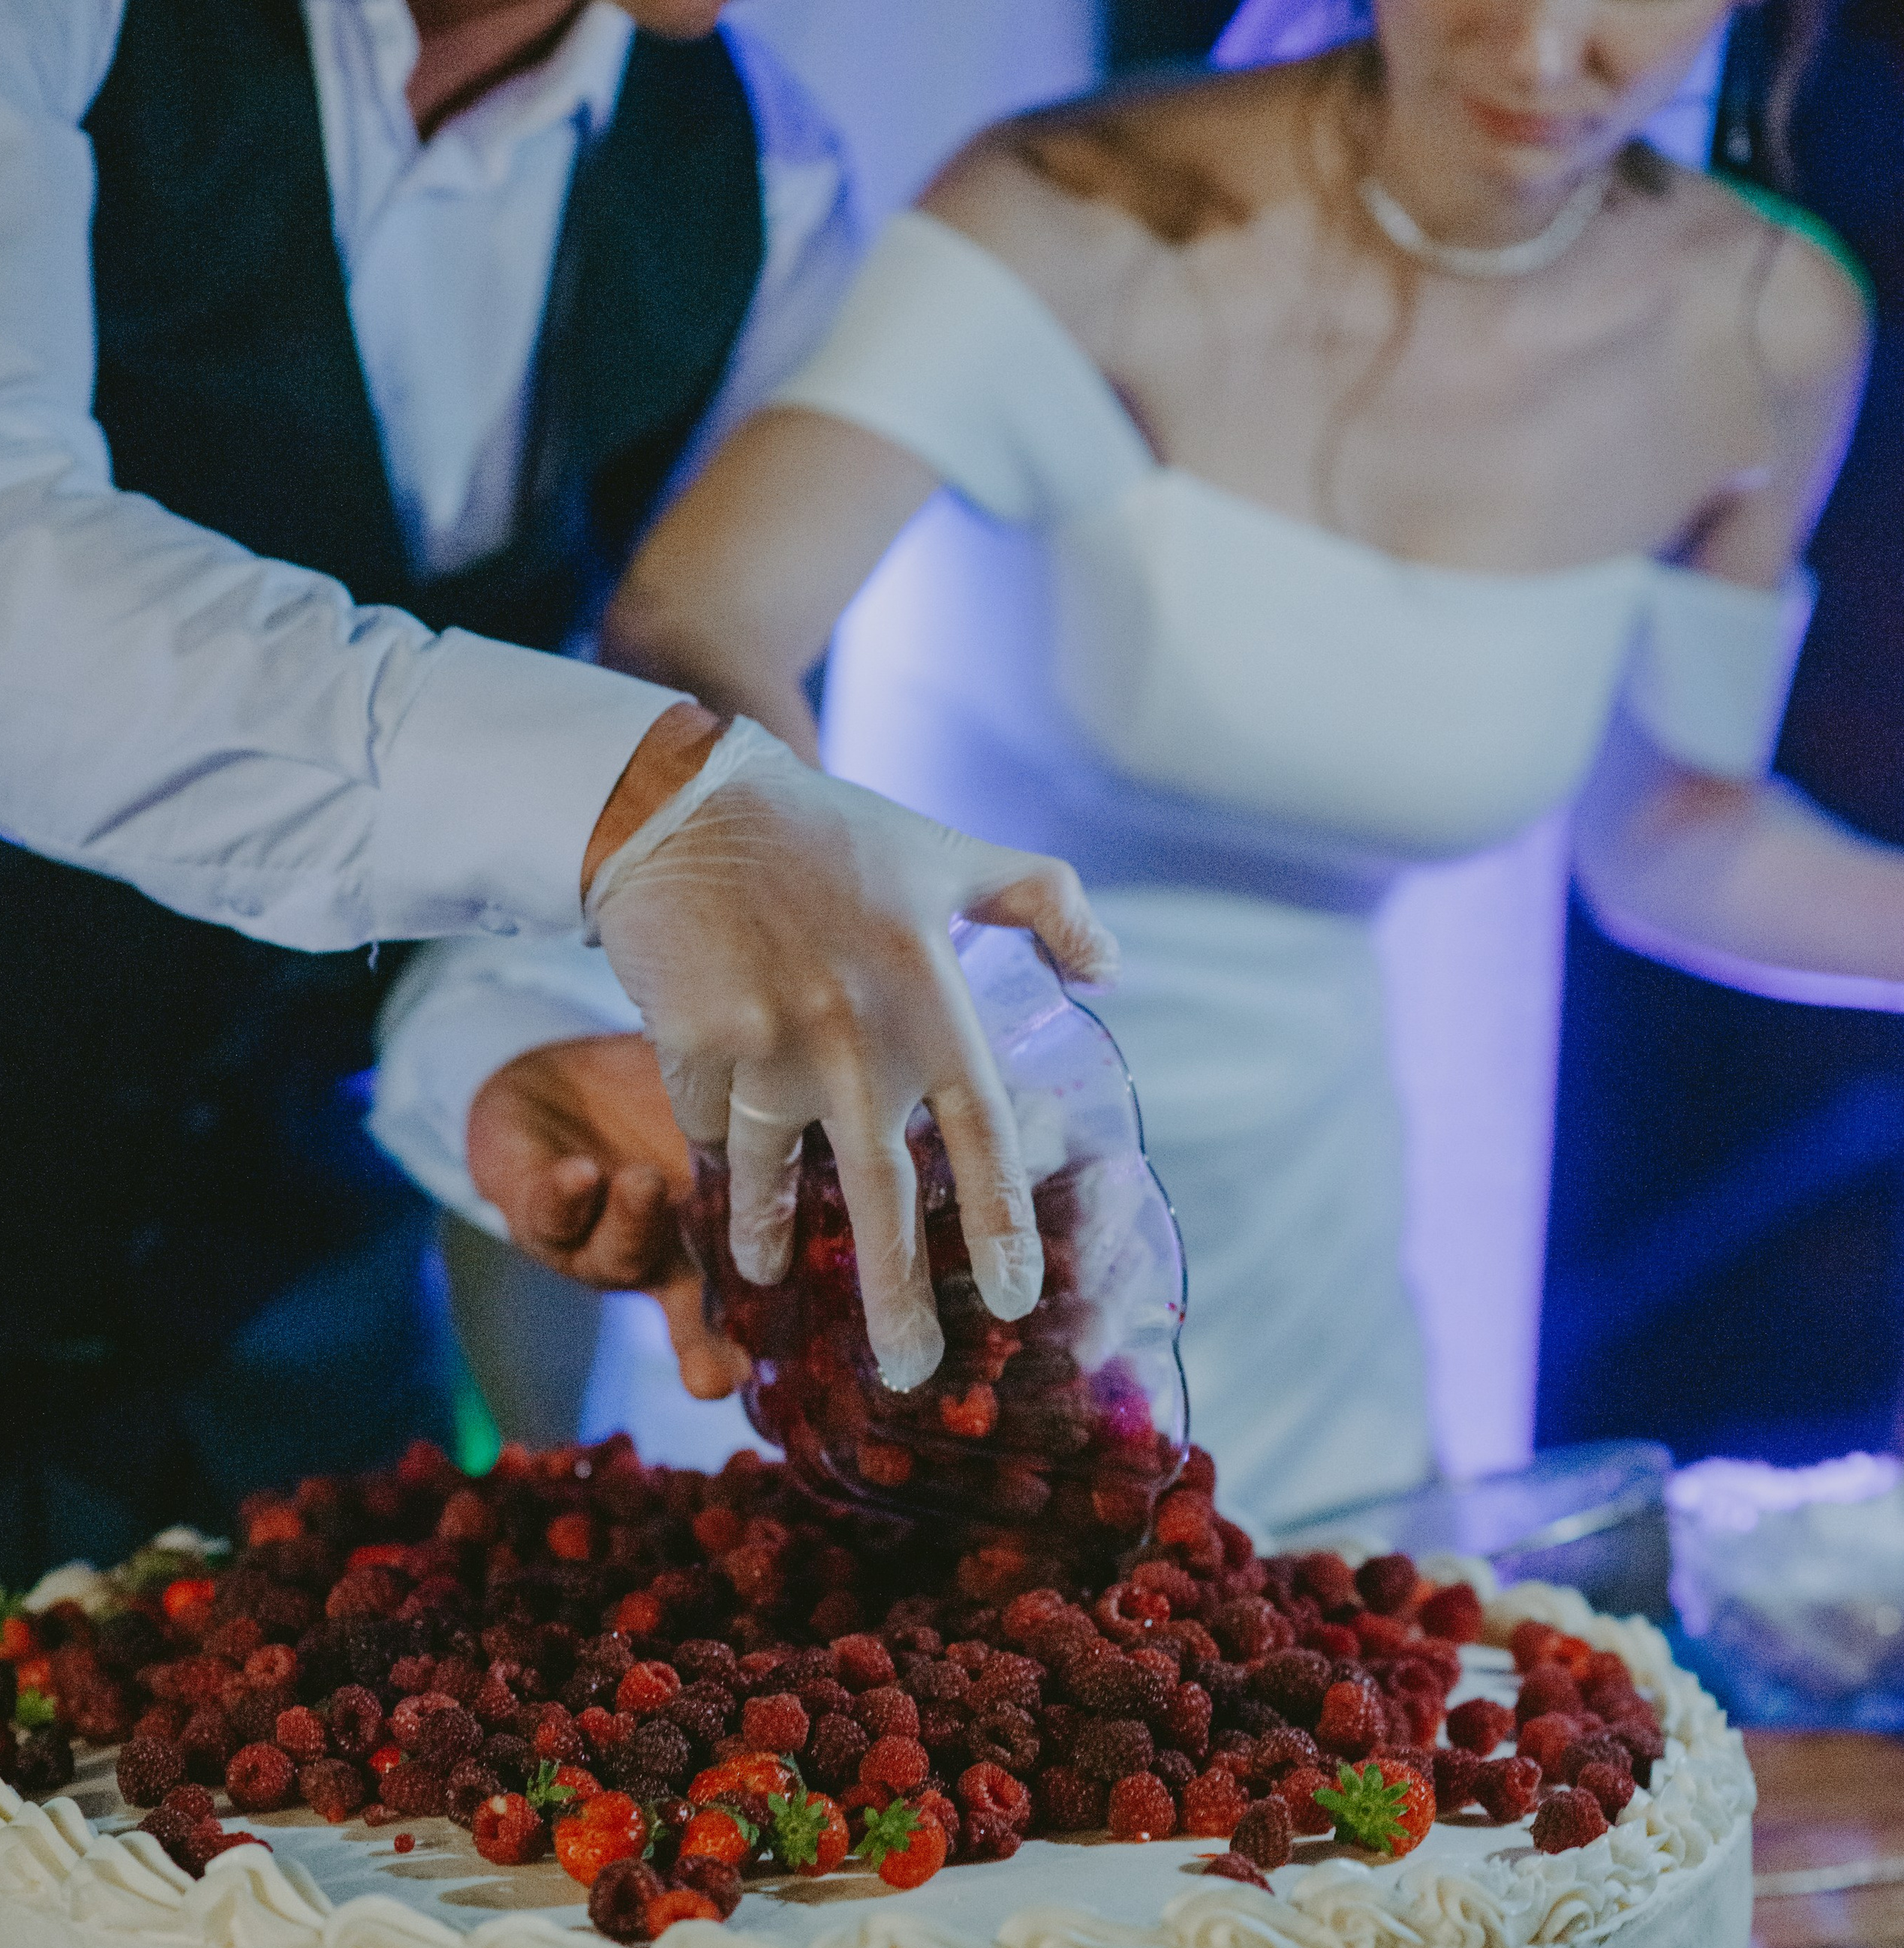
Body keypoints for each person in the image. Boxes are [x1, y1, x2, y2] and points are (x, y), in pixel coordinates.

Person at [547, 0, 1904, 1535]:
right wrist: (837, 1015)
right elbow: (694, 620)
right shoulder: (1073, 207)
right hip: (910, 1194)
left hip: (1298, 1260)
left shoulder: (1767, 329)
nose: (1538, 53)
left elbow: (1669, 834)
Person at [0, 0, 1108, 1579]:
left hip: (272, 1356)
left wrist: (515, 1041)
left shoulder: (753, 185)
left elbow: (572, 754)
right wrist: (644, 795)